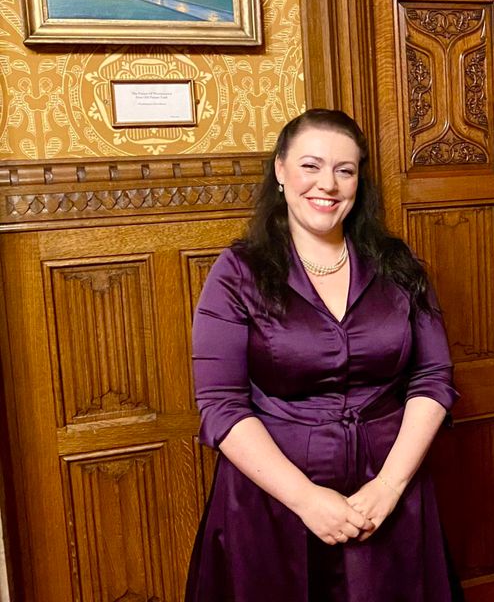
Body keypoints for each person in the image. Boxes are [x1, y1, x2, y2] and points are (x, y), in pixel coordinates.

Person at [184, 109, 460, 601]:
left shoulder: (397, 265)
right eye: (310, 166)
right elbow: (221, 405)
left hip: (387, 499)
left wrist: (389, 487)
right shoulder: (237, 272)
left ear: (358, 181)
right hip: (272, 506)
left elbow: (433, 377)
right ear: (280, 170)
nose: (327, 184)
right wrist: (306, 499)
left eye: (344, 170)